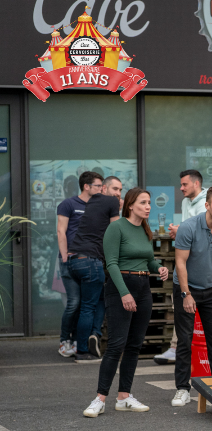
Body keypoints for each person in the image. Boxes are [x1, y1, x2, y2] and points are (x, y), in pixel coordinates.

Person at [83, 188, 169, 417]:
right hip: (120, 286)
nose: (149, 206)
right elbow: (110, 263)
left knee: (134, 345)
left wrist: (158, 266)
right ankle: (100, 399)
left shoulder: (144, 229)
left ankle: (124, 396)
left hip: (143, 288)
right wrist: (124, 293)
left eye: (150, 202)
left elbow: (148, 260)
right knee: (116, 345)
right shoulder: (117, 227)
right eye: (144, 202)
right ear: (131, 205)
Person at [169, 186, 212, 408]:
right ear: (207, 205)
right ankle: (182, 388)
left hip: (211, 289)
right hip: (186, 287)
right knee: (185, 340)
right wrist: (186, 294)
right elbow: (180, 262)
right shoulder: (189, 227)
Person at [155, 169, 208, 364]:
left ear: (196, 184)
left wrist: (182, 231)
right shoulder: (186, 202)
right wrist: (178, 231)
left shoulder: (207, 202)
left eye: (185, 184)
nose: (181, 188)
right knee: (180, 301)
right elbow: (190, 229)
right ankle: (176, 347)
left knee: (195, 304)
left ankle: (184, 348)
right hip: (185, 259)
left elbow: (205, 231)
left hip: (202, 262)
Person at [67, 176, 121, 361]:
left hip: (74, 260)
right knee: (88, 306)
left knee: (98, 299)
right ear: (104, 188)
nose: (118, 193)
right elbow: (115, 231)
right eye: (115, 189)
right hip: (91, 261)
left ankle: (94, 335)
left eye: (121, 190)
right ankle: (82, 350)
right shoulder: (112, 202)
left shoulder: (92, 202)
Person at [56, 171, 103, 357]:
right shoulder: (68, 204)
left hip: (88, 260)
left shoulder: (98, 206)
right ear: (87, 186)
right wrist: (65, 257)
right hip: (70, 259)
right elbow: (61, 231)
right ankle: (64, 340)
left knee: (84, 304)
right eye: (98, 185)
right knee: (73, 303)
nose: (101, 189)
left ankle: (77, 341)